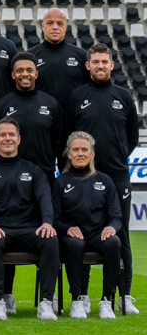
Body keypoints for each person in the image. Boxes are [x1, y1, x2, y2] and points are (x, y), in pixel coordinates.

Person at [66, 43, 139, 314]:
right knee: (82, 232)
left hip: (118, 176)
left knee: (121, 234)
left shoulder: (124, 96)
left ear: (111, 65)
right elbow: (68, 135)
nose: (99, 66)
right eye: (95, 62)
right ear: (87, 66)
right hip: (83, 177)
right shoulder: (77, 96)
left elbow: (131, 137)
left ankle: (124, 295)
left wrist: (116, 158)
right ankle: (83, 295)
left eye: (104, 62)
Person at [0, 118, 60, 321]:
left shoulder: (33, 169)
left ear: (19, 139)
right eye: (2, 135)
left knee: (50, 240)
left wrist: (47, 222)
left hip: (29, 229)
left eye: (11, 135)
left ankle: (46, 303)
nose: (7, 138)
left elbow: (45, 197)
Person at [52, 131, 122, 320]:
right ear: (69, 154)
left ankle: (106, 301)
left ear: (91, 153)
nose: (80, 153)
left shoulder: (105, 180)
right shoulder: (60, 182)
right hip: (72, 236)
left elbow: (116, 216)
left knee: (114, 242)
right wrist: (67, 228)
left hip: (98, 235)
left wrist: (112, 228)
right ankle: (76, 301)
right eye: (75, 150)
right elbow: (54, 219)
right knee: (74, 244)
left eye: (84, 149)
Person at [30, 8, 89, 112]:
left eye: (60, 23)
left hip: (73, 115)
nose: (55, 27)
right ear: (43, 27)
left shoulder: (81, 55)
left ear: (65, 28)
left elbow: (89, 88)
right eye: (50, 23)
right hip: (41, 115)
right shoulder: (30, 56)